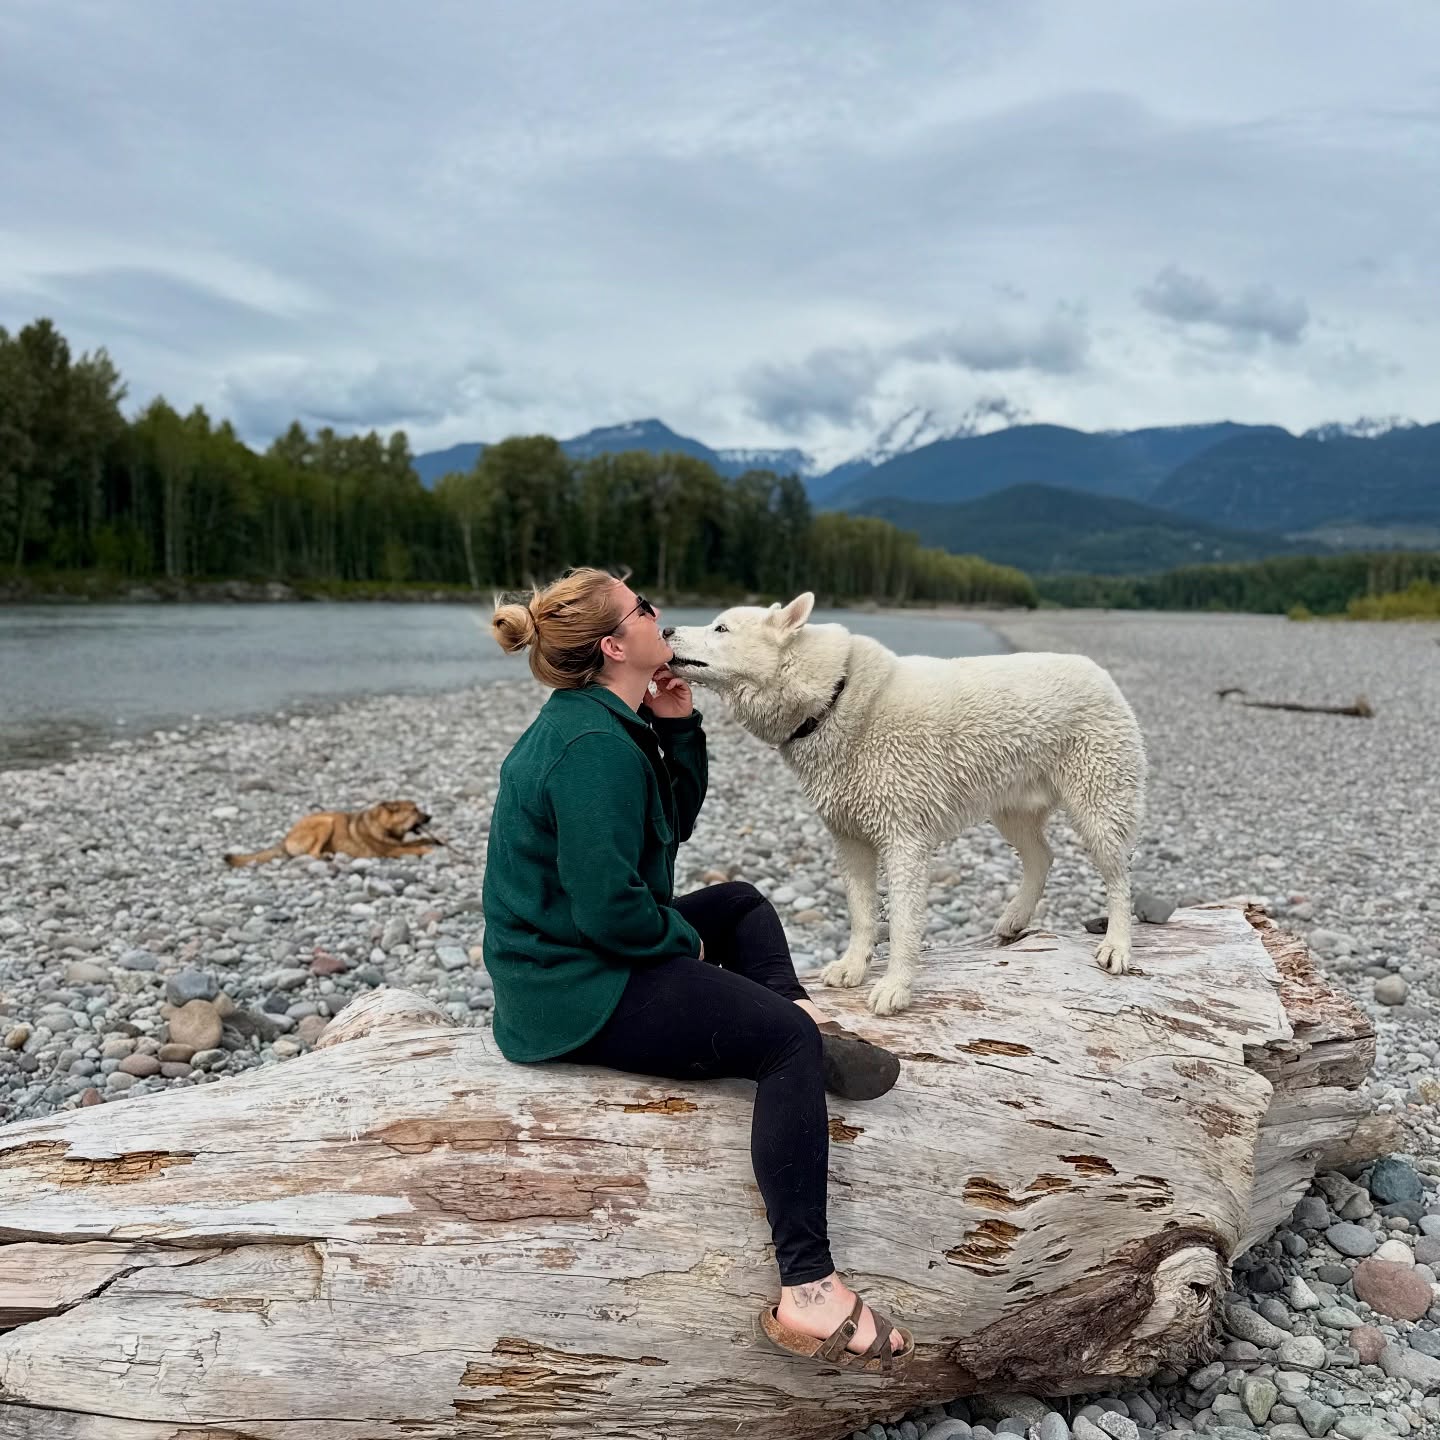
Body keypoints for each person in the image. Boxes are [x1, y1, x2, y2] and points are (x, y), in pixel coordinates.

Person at [482, 566, 913, 1374]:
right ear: (615, 644)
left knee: (743, 903)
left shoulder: (607, 719)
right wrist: (689, 959)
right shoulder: (588, 746)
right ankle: (809, 1289)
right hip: (573, 989)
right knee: (778, 1043)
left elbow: (664, 827)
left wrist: (679, 726)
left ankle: (810, 1023)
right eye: (643, 609)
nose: (661, 617)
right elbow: (612, 913)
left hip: (586, 955)